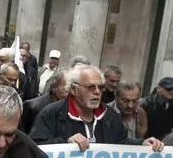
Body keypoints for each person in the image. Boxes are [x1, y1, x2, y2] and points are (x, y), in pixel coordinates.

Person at [30, 64, 164, 151]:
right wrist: (66, 142)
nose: (97, 92)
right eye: (91, 87)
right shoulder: (52, 113)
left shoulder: (110, 116)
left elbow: (120, 143)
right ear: (74, 89)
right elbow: (36, 145)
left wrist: (142, 144)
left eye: (100, 87)